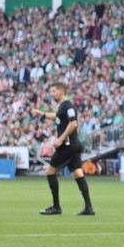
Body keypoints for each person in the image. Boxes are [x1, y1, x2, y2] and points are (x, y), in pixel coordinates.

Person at [31, 82, 95, 216]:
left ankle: (56, 207)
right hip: (74, 144)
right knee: (78, 174)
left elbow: (73, 124)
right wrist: (42, 114)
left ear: (61, 91)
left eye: (53, 91)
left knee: (50, 172)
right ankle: (89, 208)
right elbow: (57, 117)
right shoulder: (62, 107)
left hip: (67, 145)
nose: (51, 94)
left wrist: (60, 139)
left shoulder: (68, 106)